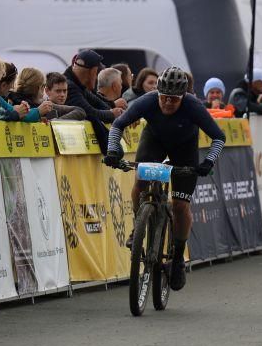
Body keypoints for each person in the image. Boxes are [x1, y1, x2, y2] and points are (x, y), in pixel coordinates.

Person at [103, 66, 225, 292]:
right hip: (154, 141)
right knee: (140, 183)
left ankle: (177, 258)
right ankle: (138, 226)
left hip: (185, 149)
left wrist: (208, 162)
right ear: (157, 93)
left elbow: (219, 137)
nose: (168, 102)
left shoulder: (193, 106)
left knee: (180, 205)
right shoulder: (148, 101)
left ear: (183, 97)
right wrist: (112, 151)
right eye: (164, 97)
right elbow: (118, 125)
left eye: (174, 99)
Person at [64, 50, 123, 152]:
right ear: (92, 72)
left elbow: (98, 102)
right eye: (96, 73)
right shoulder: (70, 86)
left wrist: (121, 114)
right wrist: (112, 114)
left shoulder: (77, 85)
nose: (96, 77)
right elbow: (90, 112)